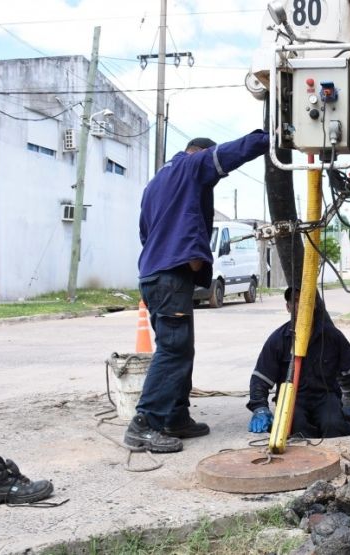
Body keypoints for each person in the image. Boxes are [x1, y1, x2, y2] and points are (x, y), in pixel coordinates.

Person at [125, 131, 270, 453]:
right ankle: (144, 424)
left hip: (154, 275)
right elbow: (233, 151)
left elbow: (144, 232)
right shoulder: (190, 167)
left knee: (179, 349)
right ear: (201, 154)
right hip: (169, 278)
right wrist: (274, 136)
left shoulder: (156, 184)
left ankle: (175, 417)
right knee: (173, 351)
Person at [247, 287, 350, 438]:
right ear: (288, 307)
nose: (301, 305)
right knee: (297, 429)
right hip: (292, 399)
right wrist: (260, 408)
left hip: (325, 396)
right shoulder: (278, 339)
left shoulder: (332, 336)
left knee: (334, 426)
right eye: (296, 301)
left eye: (306, 300)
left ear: (315, 305)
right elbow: (260, 379)